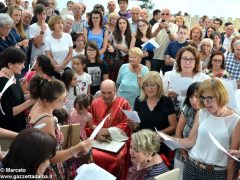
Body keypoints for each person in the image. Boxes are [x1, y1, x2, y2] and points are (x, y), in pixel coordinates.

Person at [166, 78, 240, 180]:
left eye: (209, 98)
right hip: (192, 168)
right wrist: (166, 137)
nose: (205, 103)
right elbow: (190, 141)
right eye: (203, 98)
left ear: (220, 95)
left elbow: (232, 158)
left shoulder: (235, 120)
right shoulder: (201, 113)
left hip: (217, 173)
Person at [29, 75, 92, 179]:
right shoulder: (47, 119)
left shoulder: (37, 106)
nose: (65, 102)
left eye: (65, 97)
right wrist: (77, 148)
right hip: (49, 168)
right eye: (60, 100)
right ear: (46, 100)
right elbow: (52, 157)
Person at [91, 79, 133, 180]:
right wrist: (97, 134)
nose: (106, 96)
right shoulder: (95, 103)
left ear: (115, 91)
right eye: (103, 92)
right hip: (98, 141)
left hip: (118, 141)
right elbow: (90, 124)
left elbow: (127, 125)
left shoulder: (124, 104)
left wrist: (108, 131)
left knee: (117, 158)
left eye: (109, 92)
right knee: (91, 154)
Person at [134, 71, 177, 158]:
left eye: (152, 85)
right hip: (141, 144)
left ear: (159, 86)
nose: (149, 89)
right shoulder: (138, 100)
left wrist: (157, 134)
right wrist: (132, 124)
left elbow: (173, 126)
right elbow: (136, 124)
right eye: (146, 85)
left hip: (159, 145)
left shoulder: (166, 102)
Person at [163, 46, 209, 117]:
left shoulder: (204, 79)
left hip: (195, 117)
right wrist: (167, 95)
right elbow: (160, 95)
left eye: (191, 59)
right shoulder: (169, 75)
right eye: (184, 58)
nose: (187, 62)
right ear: (179, 60)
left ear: (196, 62)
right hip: (171, 115)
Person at [0, 47, 35, 132]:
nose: (23, 66)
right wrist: (30, 102)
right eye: (20, 64)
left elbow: (18, 99)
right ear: (10, 65)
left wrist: (35, 95)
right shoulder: (2, 82)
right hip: (9, 129)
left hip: (18, 124)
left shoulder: (13, 76)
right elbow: (8, 112)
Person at [174, 82, 201, 179]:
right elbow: (178, 132)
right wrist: (184, 154)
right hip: (181, 152)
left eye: (197, 96)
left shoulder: (207, 112)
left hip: (198, 160)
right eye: (191, 97)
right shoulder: (187, 108)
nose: (194, 100)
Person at [151, 8, 178, 73]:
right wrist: (159, 28)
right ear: (161, 16)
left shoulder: (175, 26)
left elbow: (174, 41)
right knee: (154, 79)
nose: (165, 15)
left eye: (167, 14)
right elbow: (151, 37)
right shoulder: (156, 25)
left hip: (168, 58)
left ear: (170, 15)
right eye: (163, 14)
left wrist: (168, 30)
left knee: (167, 79)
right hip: (156, 56)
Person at [106, 16, 131, 81]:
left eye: (124, 23)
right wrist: (110, 46)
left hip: (126, 59)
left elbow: (132, 51)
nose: (122, 25)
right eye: (120, 23)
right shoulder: (114, 33)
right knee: (114, 77)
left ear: (127, 24)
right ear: (117, 25)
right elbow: (107, 42)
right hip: (115, 59)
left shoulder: (131, 35)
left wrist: (122, 48)